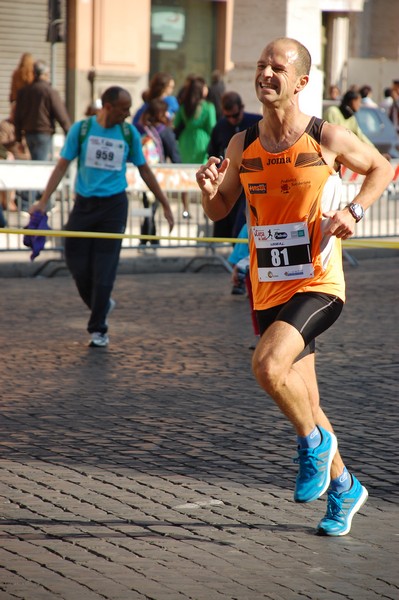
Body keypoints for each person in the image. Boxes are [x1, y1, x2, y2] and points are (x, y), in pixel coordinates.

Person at [196, 37, 394, 536]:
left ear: (301, 81)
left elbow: (382, 167)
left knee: (266, 365)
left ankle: (312, 444)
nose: (265, 73)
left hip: (318, 282)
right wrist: (207, 194)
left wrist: (354, 209)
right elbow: (221, 209)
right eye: (260, 64)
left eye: (276, 67)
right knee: (306, 398)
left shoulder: (324, 136)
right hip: (268, 289)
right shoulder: (243, 144)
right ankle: (346, 488)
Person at [29, 86, 174, 348]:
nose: (128, 114)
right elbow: (62, 166)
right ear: (108, 106)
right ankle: (103, 304)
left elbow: (144, 170)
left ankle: (98, 329)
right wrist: (42, 200)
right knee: (75, 261)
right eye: (123, 109)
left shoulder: (127, 132)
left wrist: (165, 203)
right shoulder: (82, 130)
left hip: (114, 207)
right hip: (83, 205)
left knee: (104, 271)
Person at [208, 91, 262, 238]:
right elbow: (212, 152)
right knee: (225, 223)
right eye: (228, 117)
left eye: (235, 115)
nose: (232, 120)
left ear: (242, 108)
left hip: (251, 182)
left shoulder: (256, 123)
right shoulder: (219, 127)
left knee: (242, 224)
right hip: (228, 179)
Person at [135, 98, 188, 243]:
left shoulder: (141, 129)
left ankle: (147, 237)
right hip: (157, 177)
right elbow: (175, 155)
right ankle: (150, 238)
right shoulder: (165, 132)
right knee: (152, 208)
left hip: (140, 175)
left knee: (148, 207)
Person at [14, 60, 71, 161]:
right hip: (43, 133)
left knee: (35, 161)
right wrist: (69, 132)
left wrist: (18, 137)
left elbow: (17, 116)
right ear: (45, 74)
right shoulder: (49, 91)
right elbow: (61, 114)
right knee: (40, 164)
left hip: (28, 133)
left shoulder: (24, 91)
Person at [173, 76, 217, 164]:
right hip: (202, 141)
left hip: (184, 140)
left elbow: (175, 123)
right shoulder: (209, 107)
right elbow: (212, 127)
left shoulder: (184, 106)